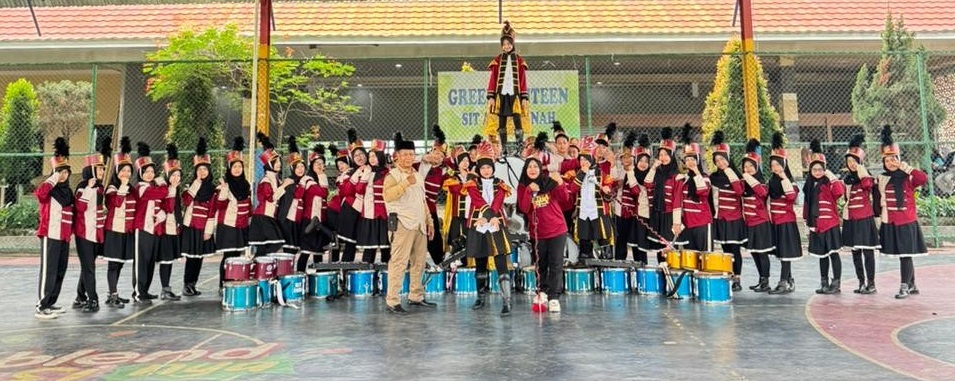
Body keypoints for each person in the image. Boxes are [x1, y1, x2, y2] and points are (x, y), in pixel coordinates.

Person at [382, 132, 437, 314]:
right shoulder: (393, 175)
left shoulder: (418, 175)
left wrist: (429, 222)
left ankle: (416, 296)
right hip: (402, 224)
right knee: (398, 262)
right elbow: (388, 196)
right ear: (397, 155)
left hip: (420, 224)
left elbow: (423, 201)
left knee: (419, 262)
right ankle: (392, 300)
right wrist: (405, 183)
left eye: (411, 154)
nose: (408, 158)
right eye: (404, 154)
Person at [877, 125, 928, 299]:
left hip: (906, 221)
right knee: (903, 255)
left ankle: (904, 286)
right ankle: (912, 284)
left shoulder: (908, 176)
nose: (890, 163)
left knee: (906, 255)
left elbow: (923, 179)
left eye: (894, 159)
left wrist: (907, 168)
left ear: (899, 158)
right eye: (887, 160)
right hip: (891, 221)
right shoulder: (883, 178)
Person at [517, 153, 571, 313]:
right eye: (529, 167)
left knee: (556, 264)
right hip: (537, 234)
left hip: (557, 230)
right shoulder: (522, 187)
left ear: (540, 169)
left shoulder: (548, 182)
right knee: (541, 265)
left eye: (535, 166)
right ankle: (543, 292)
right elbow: (524, 208)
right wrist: (528, 190)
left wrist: (560, 182)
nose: (532, 169)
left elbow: (565, 198)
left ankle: (554, 297)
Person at [465, 140, 514, 316]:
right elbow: (476, 200)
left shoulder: (500, 183)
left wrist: (491, 217)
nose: (486, 170)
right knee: (480, 262)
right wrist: (488, 216)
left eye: (489, 167)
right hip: (478, 225)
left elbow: (498, 201)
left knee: (501, 261)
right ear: (478, 168)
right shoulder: (471, 183)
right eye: (483, 167)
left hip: (495, 224)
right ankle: (481, 297)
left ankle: (507, 301)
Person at [34, 137, 74, 319]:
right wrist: (53, 177)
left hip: (64, 236)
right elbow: (39, 193)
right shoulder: (48, 189)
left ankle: (51, 301)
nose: (63, 175)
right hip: (50, 234)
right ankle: (41, 306)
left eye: (66, 172)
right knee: (48, 270)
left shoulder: (68, 192)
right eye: (60, 172)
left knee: (60, 269)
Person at [72, 136, 110, 313]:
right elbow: (79, 208)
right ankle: (92, 300)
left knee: (88, 266)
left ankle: (80, 297)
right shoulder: (81, 187)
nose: (102, 171)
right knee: (89, 267)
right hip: (84, 234)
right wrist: (88, 189)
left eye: (102, 168)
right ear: (91, 170)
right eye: (99, 168)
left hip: (97, 234)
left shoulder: (100, 188)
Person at [803, 140, 845, 294]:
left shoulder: (829, 183)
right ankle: (824, 282)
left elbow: (839, 192)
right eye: (815, 169)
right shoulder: (808, 185)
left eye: (821, 169)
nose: (818, 172)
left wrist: (830, 174)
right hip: (816, 225)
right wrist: (808, 224)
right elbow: (807, 206)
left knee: (833, 254)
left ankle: (836, 283)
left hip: (830, 224)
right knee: (822, 256)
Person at [131, 142, 170, 304]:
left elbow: (161, 200)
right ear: (140, 173)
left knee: (150, 262)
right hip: (142, 229)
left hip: (154, 230)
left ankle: (145, 290)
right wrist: (162, 182)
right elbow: (162, 193)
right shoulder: (140, 187)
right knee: (141, 261)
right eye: (146, 171)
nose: (149, 174)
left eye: (152, 171)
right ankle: (138, 292)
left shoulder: (151, 186)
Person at [485, 20, 530, 155]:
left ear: (512, 44)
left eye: (508, 44)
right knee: (502, 121)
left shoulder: (519, 60)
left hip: (515, 94)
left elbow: (522, 80)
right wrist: (491, 96)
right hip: (501, 94)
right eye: (504, 44)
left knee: (517, 119)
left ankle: (519, 147)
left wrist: (524, 97)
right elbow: (493, 79)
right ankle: (503, 148)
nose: (506, 46)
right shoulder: (497, 60)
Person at [567, 136, 615, 264]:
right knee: (584, 242)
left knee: (605, 244)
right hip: (582, 213)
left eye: (586, 159)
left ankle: (606, 267)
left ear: (592, 159)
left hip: (599, 213)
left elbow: (610, 196)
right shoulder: (574, 173)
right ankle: (585, 265)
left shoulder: (603, 175)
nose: (583, 162)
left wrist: (607, 192)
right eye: (581, 159)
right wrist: (582, 173)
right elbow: (572, 189)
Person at [841, 134, 879, 294]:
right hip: (851, 220)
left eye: (854, 161)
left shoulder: (865, 176)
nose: (851, 164)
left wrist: (862, 170)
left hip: (864, 219)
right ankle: (861, 282)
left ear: (860, 162)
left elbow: (868, 185)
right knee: (855, 252)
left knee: (868, 252)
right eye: (849, 162)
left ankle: (871, 283)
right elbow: (845, 198)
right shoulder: (847, 179)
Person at [709, 131, 747, 291]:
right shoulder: (713, 177)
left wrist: (729, 171)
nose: (720, 162)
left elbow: (739, 191)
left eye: (722, 159)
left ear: (728, 159)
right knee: (725, 249)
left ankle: (737, 277)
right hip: (720, 218)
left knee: (735, 249)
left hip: (734, 219)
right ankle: (729, 274)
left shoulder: (737, 175)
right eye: (717, 160)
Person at [179, 138, 216, 297]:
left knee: (199, 258)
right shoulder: (191, 186)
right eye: (199, 170)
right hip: (191, 226)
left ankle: (193, 284)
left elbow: (213, 211)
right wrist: (196, 184)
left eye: (205, 170)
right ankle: (187, 285)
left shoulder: (213, 189)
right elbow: (186, 201)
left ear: (209, 171)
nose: (202, 173)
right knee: (191, 258)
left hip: (203, 228)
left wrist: (209, 231)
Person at [767, 132, 802, 295]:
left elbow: (792, 197)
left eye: (778, 164)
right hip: (775, 222)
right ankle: (789, 280)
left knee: (785, 252)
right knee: (780, 252)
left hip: (786, 222)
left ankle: (783, 282)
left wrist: (783, 177)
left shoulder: (789, 181)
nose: (775, 168)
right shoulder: (770, 182)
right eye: (773, 165)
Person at [216, 137, 253, 289]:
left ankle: (233, 281)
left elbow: (249, 207)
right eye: (234, 166)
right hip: (228, 225)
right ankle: (223, 284)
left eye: (240, 166)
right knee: (228, 256)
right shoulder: (225, 184)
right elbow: (219, 204)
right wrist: (223, 191)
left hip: (242, 225)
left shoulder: (246, 185)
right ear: (229, 168)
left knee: (237, 256)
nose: (237, 169)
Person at [738, 139, 774, 292]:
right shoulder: (744, 183)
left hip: (761, 223)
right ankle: (761, 279)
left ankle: (766, 281)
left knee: (762, 253)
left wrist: (747, 177)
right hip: (749, 223)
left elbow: (762, 193)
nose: (748, 169)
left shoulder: (761, 182)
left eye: (751, 166)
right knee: (754, 252)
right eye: (745, 166)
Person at [103, 137, 135, 308]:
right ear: (116, 172)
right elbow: (115, 203)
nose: (126, 174)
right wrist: (123, 185)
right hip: (114, 232)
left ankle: (112, 293)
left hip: (126, 232)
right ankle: (112, 295)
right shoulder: (112, 188)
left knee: (120, 263)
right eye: (123, 171)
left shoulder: (131, 189)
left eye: (129, 171)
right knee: (113, 264)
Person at [644, 127, 685, 263]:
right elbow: (647, 184)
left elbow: (677, 200)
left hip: (669, 216)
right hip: (657, 214)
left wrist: (677, 222)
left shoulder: (677, 176)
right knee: (659, 250)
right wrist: (653, 167)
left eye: (666, 155)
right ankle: (662, 275)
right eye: (660, 155)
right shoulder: (657, 172)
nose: (663, 158)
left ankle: (671, 279)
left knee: (669, 249)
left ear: (672, 156)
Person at [250, 133, 292, 255]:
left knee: (267, 246)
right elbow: (271, 197)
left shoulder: (275, 178)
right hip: (263, 217)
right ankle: (258, 266)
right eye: (276, 162)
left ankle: (259, 267)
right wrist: (284, 185)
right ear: (269, 164)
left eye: (279, 161)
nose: (279, 163)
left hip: (269, 217)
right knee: (275, 242)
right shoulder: (266, 180)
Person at [675, 124, 712, 253]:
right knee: (690, 257)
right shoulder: (683, 179)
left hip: (702, 223)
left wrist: (696, 172)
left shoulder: (705, 177)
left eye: (693, 159)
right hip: (688, 224)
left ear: (698, 161)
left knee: (704, 256)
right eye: (687, 159)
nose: (690, 162)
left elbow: (703, 192)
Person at [355, 139, 391, 263]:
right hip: (369, 215)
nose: (371, 158)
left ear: (380, 157)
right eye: (370, 156)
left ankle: (387, 276)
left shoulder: (388, 173)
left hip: (384, 216)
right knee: (369, 249)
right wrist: (365, 174)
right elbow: (359, 190)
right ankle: (367, 277)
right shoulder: (366, 172)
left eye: (374, 156)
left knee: (386, 249)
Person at [417, 124, 448, 266]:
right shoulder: (420, 163)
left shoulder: (443, 171)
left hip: (430, 209)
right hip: (415, 207)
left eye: (441, 155)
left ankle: (440, 265)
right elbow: (401, 161)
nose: (438, 156)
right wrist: (424, 157)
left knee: (435, 238)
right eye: (435, 152)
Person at [298, 144, 331, 271]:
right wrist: (322, 177)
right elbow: (323, 193)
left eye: (322, 163)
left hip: (320, 221)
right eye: (317, 163)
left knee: (318, 252)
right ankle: (300, 275)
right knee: (306, 252)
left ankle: (319, 280)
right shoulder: (308, 180)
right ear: (311, 165)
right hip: (310, 220)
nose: (319, 166)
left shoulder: (321, 179)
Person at [157, 143, 182, 301]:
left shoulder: (175, 188)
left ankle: (166, 288)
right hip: (163, 229)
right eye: (173, 175)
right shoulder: (163, 187)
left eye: (178, 175)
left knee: (169, 260)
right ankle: (163, 289)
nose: (176, 178)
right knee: (165, 259)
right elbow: (169, 207)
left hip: (172, 228)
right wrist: (172, 189)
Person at [337, 128, 367, 262]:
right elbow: (345, 192)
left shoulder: (373, 169)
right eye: (355, 156)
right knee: (350, 244)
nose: (359, 157)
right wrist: (357, 174)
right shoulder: (349, 173)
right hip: (351, 211)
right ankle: (344, 271)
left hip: (368, 211)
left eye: (361, 154)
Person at [610, 132, 640, 261]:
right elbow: (613, 184)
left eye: (630, 157)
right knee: (620, 241)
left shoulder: (638, 171)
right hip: (620, 212)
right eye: (624, 157)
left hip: (636, 213)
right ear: (621, 159)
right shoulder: (619, 170)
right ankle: (619, 264)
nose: (627, 160)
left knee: (636, 242)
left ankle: (640, 265)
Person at [277, 136, 307, 256]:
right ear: (292, 169)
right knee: (288, 250)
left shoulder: (306, 180)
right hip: (288, 220)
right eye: (297, 167)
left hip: (299, 220)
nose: (300, 169)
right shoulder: (289, 182)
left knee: (295, 249)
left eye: (302, 167)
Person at [441, 146, 473, 260]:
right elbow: (459, 190)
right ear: (458, 163)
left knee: (470, 239)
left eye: (467, 160)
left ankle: (468, 261)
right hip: (457, 216)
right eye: (463, 160)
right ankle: (453, 261)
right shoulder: (453, 178)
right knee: (455, 239)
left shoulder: (474, 177)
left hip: (471, 216)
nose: (465, 163)